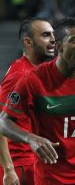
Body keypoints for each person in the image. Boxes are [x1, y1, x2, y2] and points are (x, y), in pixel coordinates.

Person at [0, 17, 75, 184]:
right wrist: (10, 166)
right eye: (46, 35)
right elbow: (3, 121)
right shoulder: (26, 77)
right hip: (39, 166)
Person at [0, 17, 55, 185]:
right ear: (28, 42)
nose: (53, 39)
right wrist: (9, 169)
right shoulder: (21, 74)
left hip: (33, 160)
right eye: (46, 35)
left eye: (53, 34)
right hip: (21, 166)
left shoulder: (34, 71)